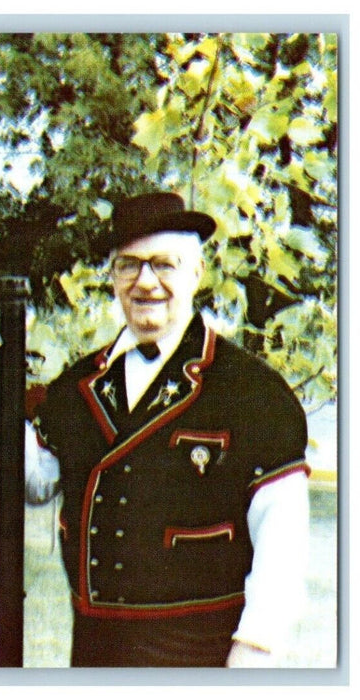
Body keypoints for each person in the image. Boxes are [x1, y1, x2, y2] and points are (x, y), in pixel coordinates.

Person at [27, 192, 311, 667]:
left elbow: (282, 543)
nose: (146, 282)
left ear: (196, 274)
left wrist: (254, 650)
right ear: (112, 277)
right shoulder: (76, 387)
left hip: (201, 652)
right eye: (129, 265)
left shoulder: (254, 392)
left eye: (164, 265)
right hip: (94, 650)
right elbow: (35, 484)